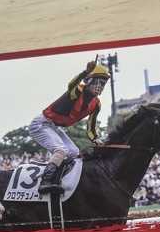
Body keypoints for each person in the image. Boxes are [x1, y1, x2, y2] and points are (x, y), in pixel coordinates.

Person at [29, 59, 110, 194]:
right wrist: (85, 72)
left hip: (55, 127)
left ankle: (59, 178)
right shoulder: (78, 90)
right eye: (98, 82)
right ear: (89, 81)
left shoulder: (96, 104)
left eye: (103, 84)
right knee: (61, 150)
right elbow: (72, 84)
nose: (100, 86)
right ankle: (45, 182)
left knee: (74, 153)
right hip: (41, 124)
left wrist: (97, 140)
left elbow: (91, 128)